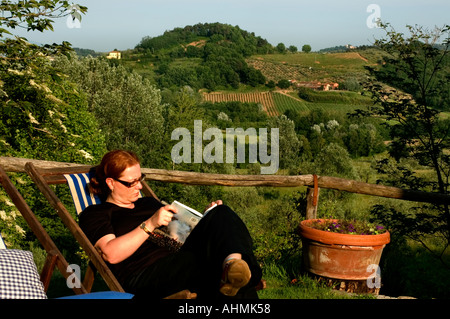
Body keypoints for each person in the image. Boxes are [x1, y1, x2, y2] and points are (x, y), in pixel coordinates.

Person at [79, 149, 262, 299]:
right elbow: (110, 254)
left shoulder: (148, 203)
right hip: (145, 275)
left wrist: (207, 218)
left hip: (178, 259)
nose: (140, 187)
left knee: (221, 213)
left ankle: (232, 265)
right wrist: (149, 224)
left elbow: (180, 232)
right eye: (131, 183)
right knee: (213, 265)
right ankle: (235, 272)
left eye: (140, 179)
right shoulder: (96, 213)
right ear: (111, 183)